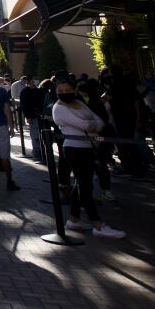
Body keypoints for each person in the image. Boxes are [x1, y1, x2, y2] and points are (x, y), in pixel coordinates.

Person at [51, 78, 126, 239]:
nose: (65, 92)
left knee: (81, 183)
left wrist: (90, 124)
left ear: (74, 89)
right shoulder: (59, 109)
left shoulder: (80, 104)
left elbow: (99, 122)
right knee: (85, 186)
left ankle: (73, 219)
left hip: (88, 148)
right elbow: (85, 125)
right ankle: (97, 224)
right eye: (61, 91)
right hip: (73, 149)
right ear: (56, 93)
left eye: (67, 89)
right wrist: (89, 124)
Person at [21, 78, 50, 162]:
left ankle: (43, 154)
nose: (34, 81)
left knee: (42, 136)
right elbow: (24, 105)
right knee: (35, 137)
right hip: (32, 116)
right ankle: (37, 155)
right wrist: (27, 116)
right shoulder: (25, 91)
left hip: (41, 115)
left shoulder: (39, 91)